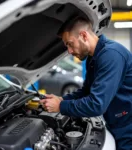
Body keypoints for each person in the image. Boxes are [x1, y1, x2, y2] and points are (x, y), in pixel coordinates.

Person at [40, 16, 132, 150]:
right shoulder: (93, 58)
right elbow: (86, 92)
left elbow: (96, 105)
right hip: (117, 123)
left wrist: (61, 106)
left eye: (70, 44)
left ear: (83, 35)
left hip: (128, 127)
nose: (70, 51)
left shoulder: (111, 55)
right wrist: (61, 99)